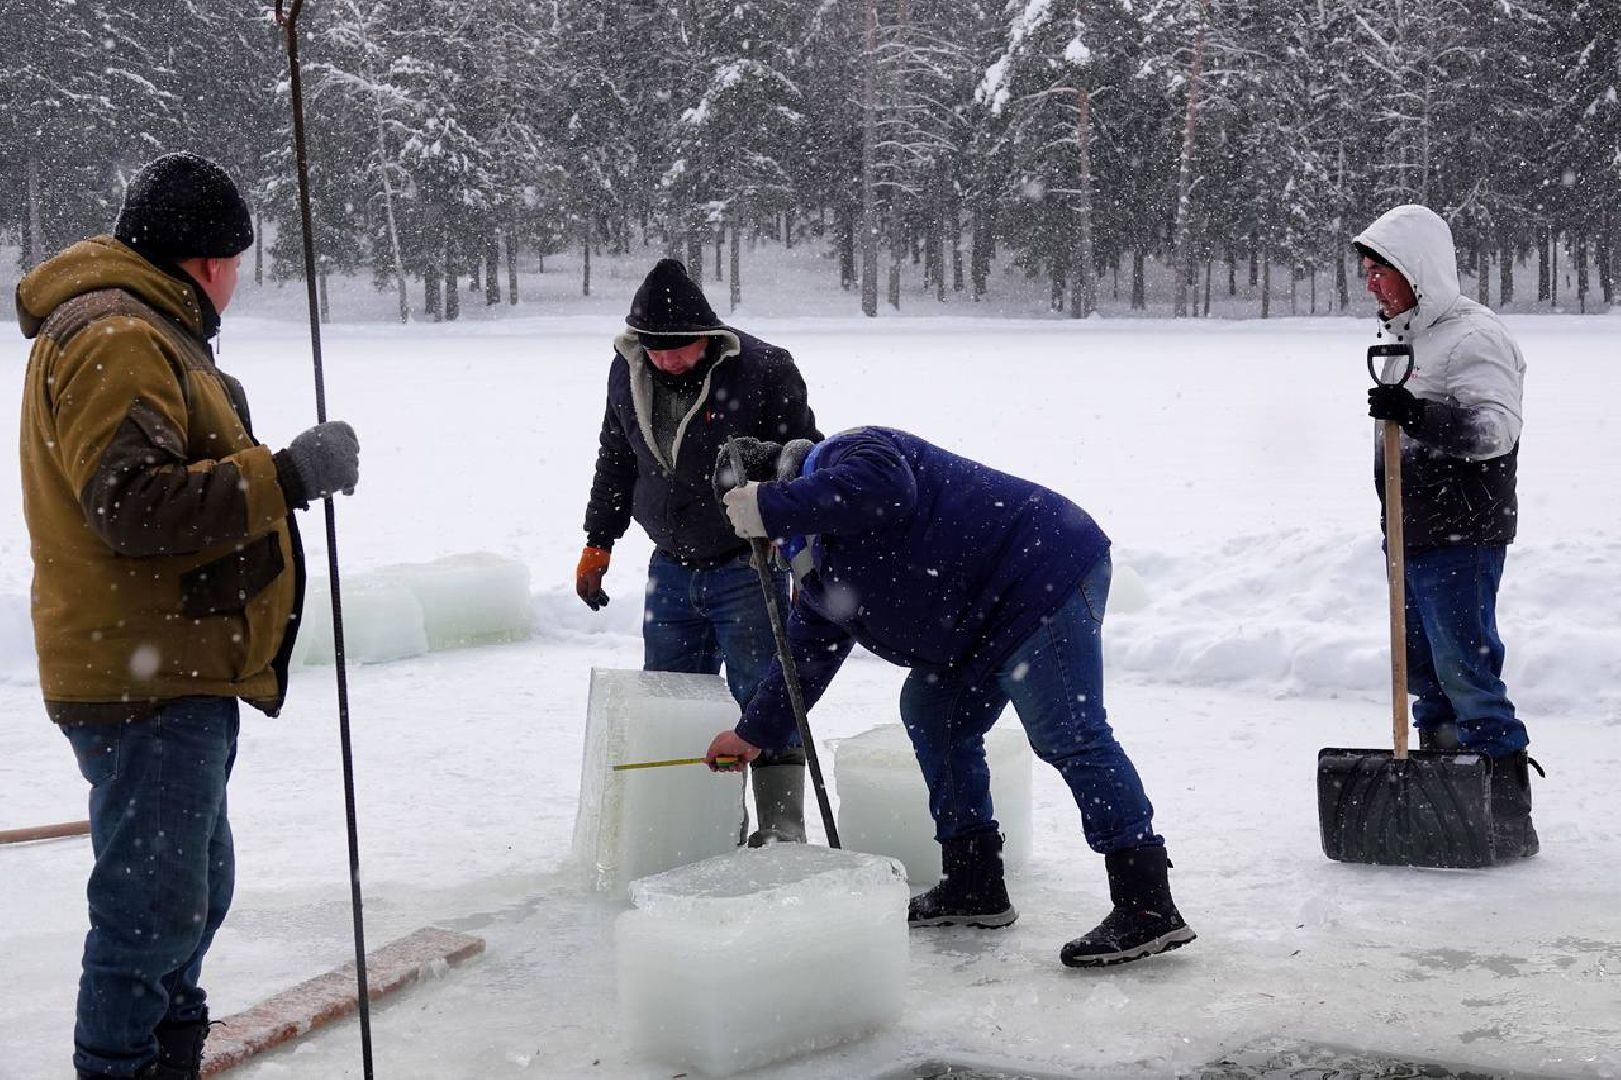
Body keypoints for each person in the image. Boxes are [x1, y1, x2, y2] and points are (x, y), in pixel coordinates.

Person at [16, 152, 361, 1080]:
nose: (235, 281)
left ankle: (171, 1052)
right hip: (145, 674)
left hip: (168, 663)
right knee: (155, 907)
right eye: (235, 263)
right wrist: (286, 475)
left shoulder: (138, 328)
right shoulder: (120, 337)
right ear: (210, 262)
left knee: (191, 891)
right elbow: (132, 506)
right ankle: (121, 1066)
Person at [703, 427, 1195, 968]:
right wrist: (754, 733)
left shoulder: (850, 453)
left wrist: (772, 504)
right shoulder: (815, 561)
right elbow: (805, 656)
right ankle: (973, 882)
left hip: (1041, 576)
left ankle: (1146, 902)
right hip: (978, 621)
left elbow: (886, 487)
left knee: (1068, 733)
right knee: (932, 712)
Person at [576, 258, 821, 845]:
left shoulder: (764, 369)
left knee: (766, 692)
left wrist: (799, 557)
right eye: (655, 349)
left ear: (708, 335)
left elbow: (803, 463)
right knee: (673, 699)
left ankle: (782, 826)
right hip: (670, 565)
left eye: (679, 348)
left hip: (748, 563)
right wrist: (597, 542)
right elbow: (616, 459)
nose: (666, 360)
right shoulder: (628, 370)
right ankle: (702, 827)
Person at [1354, 204, 1537, 860]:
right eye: (1366, 271)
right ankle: (1442, 804)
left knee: (1466, 673)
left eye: (1381, 270)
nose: (1370, 283)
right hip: (1411, 533)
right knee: (1425, 675)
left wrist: (1419, 414)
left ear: (1418, 271)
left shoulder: (1472, 338)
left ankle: (1505, 815)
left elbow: (1494, 431)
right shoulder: (1406, 339)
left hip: (1462, 533)